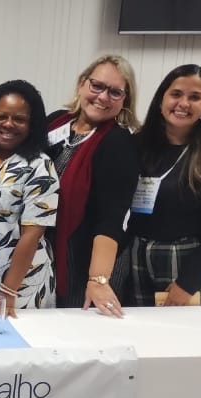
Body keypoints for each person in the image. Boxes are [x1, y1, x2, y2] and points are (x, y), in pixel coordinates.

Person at [127, 65, 201, 307]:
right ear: (161, 99)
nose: (183, 103)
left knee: (186, 331)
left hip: (190, 262)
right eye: (176, 94)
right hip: (138, 255)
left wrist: (187, 283)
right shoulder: (137, 145)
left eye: (195, 97)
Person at [46, 54, 141, 317]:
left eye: (114, 92)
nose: (102, 97)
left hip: (86, 262)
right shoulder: (55, 123)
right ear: (81, 84)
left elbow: (111, 218)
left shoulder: (118, 143)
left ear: (124, 100)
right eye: (97, 86)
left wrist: (98, 280)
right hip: (45, 253)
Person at [0, 80, 60, 313]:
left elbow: (32, 234)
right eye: (1, 116)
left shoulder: (39, 165)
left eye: (19, 119)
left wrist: (8, 291)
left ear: (32, 124)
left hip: (18, 283)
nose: (8, 124)